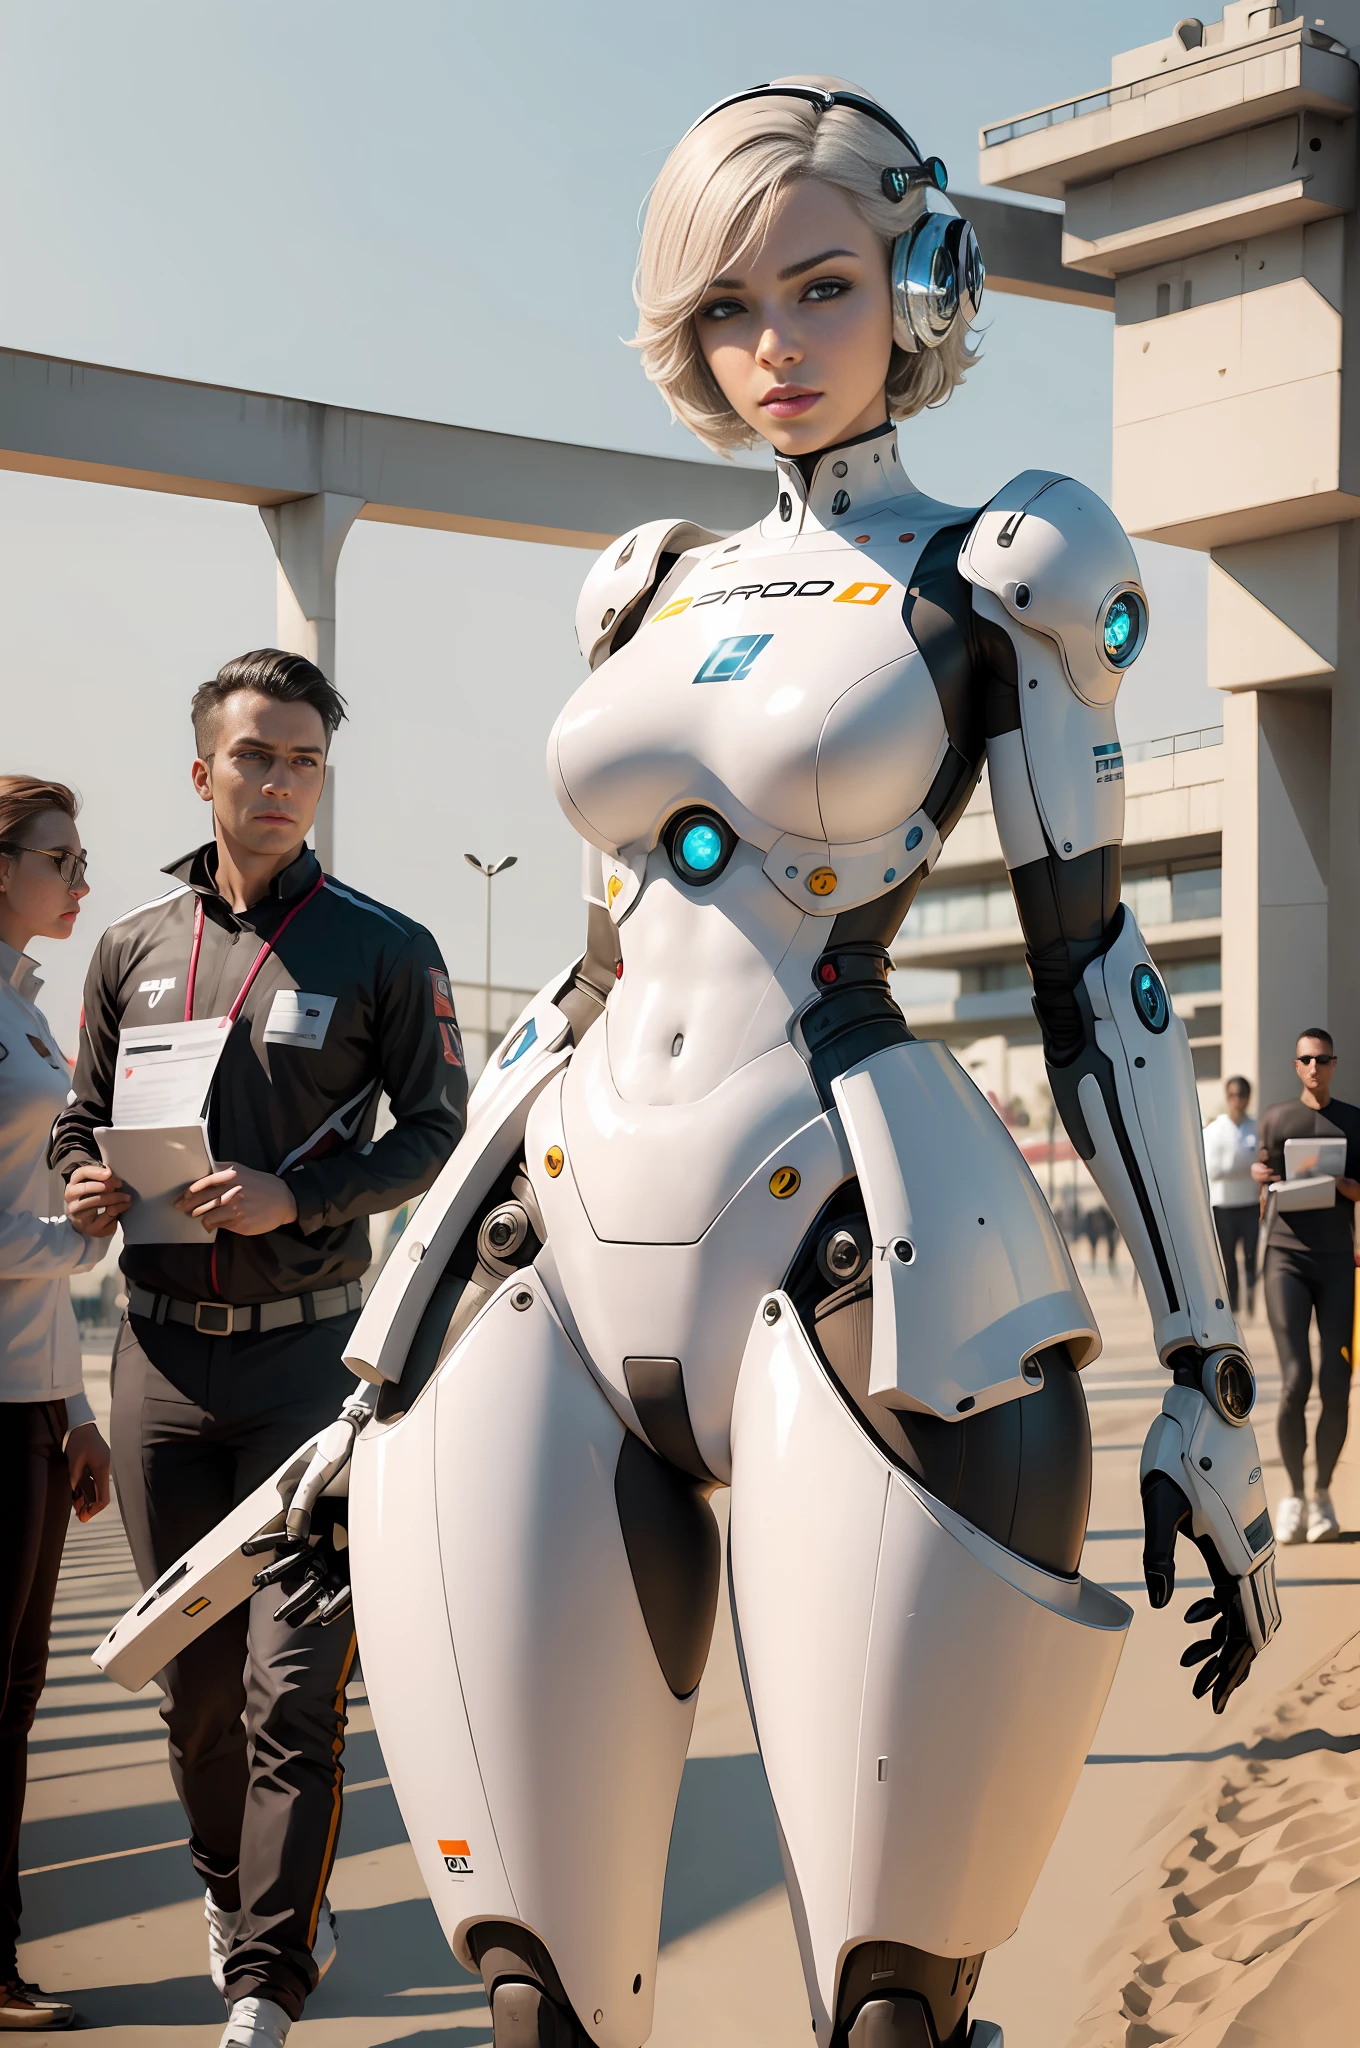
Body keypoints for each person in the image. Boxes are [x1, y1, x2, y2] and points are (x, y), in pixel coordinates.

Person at [99, 84, 1279, 2048]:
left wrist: (1204, 1362)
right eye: (728, 307)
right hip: (555, 1255)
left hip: (862, 1256)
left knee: (887, 2001)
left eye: (818, 288)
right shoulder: (640, 576)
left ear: (909, 286)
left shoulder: (1010, 564)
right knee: (536, 1994)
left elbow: (1094, 979)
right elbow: (580, 986)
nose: (774, 347)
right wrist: (383, 1343)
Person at [49, 653, 466, 2048]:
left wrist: (308, 1196)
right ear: (203, 774)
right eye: (255, 757)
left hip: (309, 1365)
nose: (280, 781)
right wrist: (84, 1184)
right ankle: (241, 1898)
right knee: (198, 1689)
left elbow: (438, 1133)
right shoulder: (130, 947)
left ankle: (265, 1982)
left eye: (303, 760)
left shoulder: (385, 947)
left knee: (299, 1686)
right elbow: (78, 1116)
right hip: (159, 1368)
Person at [0, 776, 111, 2034]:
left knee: (16, 1702)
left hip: (30, 1401)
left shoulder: (30, 1015)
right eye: (59, 857)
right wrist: (66, 1234)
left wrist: (75, 1408)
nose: (80, 880)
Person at [1252, 1029, 1360, 1545]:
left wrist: (1341, 1184)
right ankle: (1293, 1495)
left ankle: (1321, 1493)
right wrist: (1260, 1175)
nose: (1314, 1067)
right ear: (1296, 1066)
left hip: (1338, 1262)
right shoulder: (1275, 1118)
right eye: (1305, 1060)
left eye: (1322, 1059)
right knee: (1296, 1377)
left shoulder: (1354, 1121)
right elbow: (1265, 1181)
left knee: (1336, 1384)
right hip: (1286, 1261)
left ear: (1333, 1064)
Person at [1203, 1076, 1259, 1316]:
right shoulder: (1214, 1130)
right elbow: (1212, 1169)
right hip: (1224, 1205)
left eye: (1242, 1095)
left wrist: (1240, 1165)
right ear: (1227, 1098)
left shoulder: (1256, 1127)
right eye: (1233, 1095)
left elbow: (1262, 1161)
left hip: (1250, 1203)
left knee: (1250, 1257)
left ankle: (1251, 1301)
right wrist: (1245, 1165)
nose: (1237, 1101)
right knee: (1228, 1259)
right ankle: (1233, 1303)